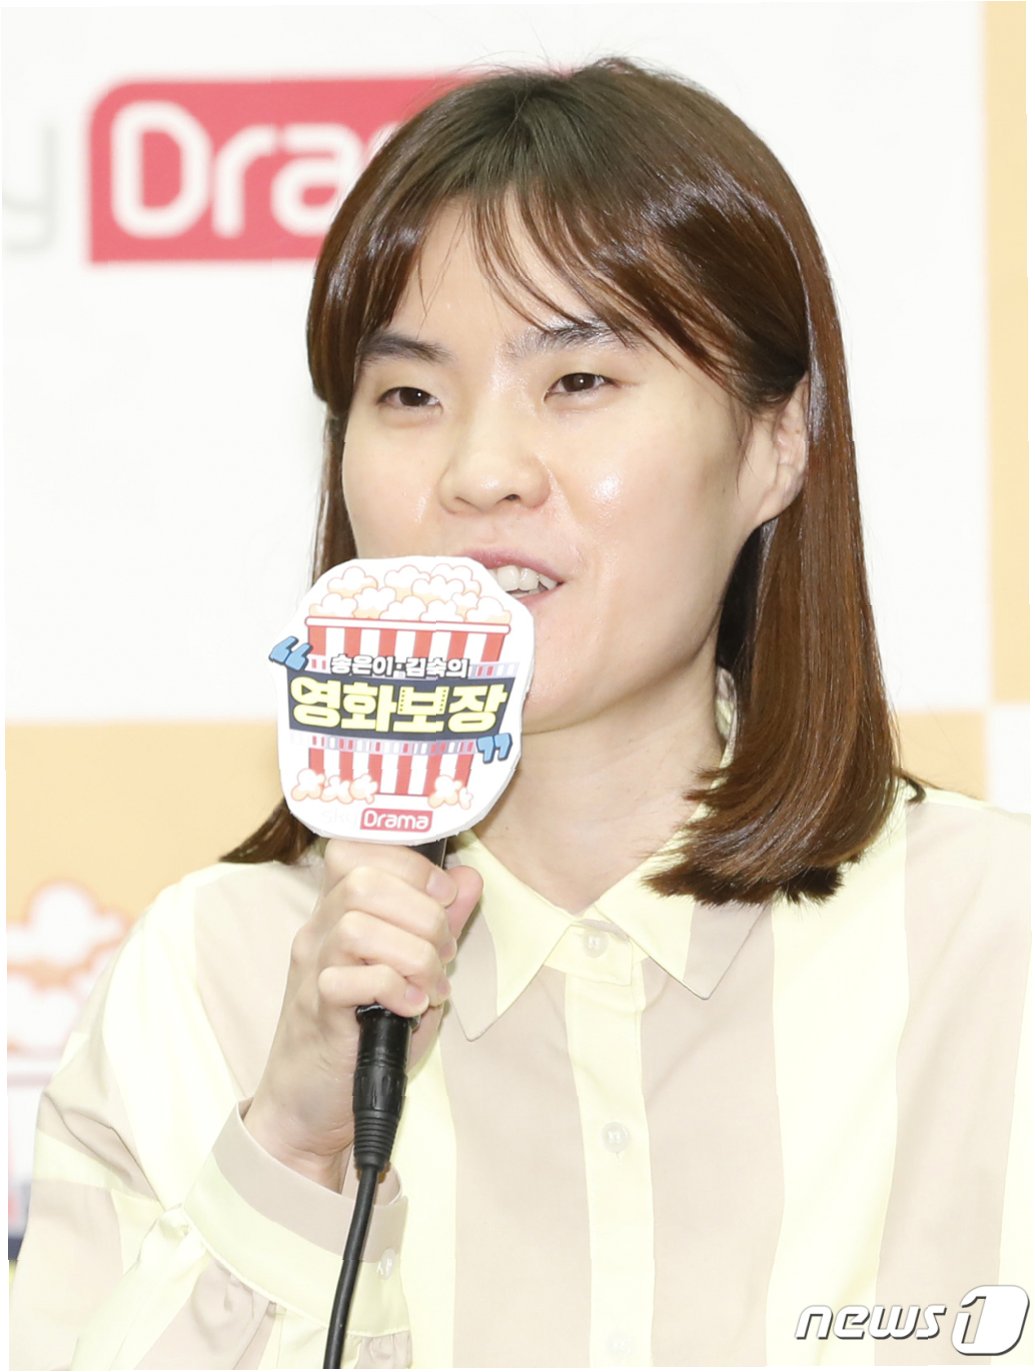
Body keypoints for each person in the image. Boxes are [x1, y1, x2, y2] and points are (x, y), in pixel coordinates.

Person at [11, 58, 1030, 1369]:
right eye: (410, 397)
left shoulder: (998, 946)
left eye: (579, 381)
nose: (481, 471)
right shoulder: (214, 979)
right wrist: (290, 1155)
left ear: (777, 443)